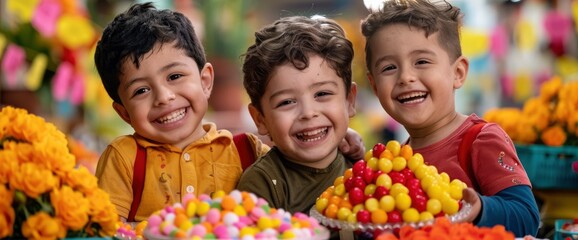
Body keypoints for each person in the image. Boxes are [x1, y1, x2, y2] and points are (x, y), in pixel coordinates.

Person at [93, 3, 365, 222]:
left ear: (205, 81)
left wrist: (342, 133)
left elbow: (295, 150)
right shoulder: (125, 159)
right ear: (124, 113)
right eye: (141, 91)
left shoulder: (243, 151)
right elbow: (104, 229)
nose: (164, 97)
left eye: (174, 76)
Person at [360, 0, 540, 237]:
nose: (406, 77)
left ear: (458, 73)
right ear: (374, 85)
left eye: (421, 61)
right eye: (389, 68)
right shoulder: (394, 162)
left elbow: (527, 217)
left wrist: (482, 209)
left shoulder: (481, 140)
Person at [237, 15, 357, 218]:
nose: (308, 113)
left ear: (349, 101)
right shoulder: (262, 184)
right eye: (286, 102)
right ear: (260, 119)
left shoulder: (364, 168)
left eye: (322, 94)